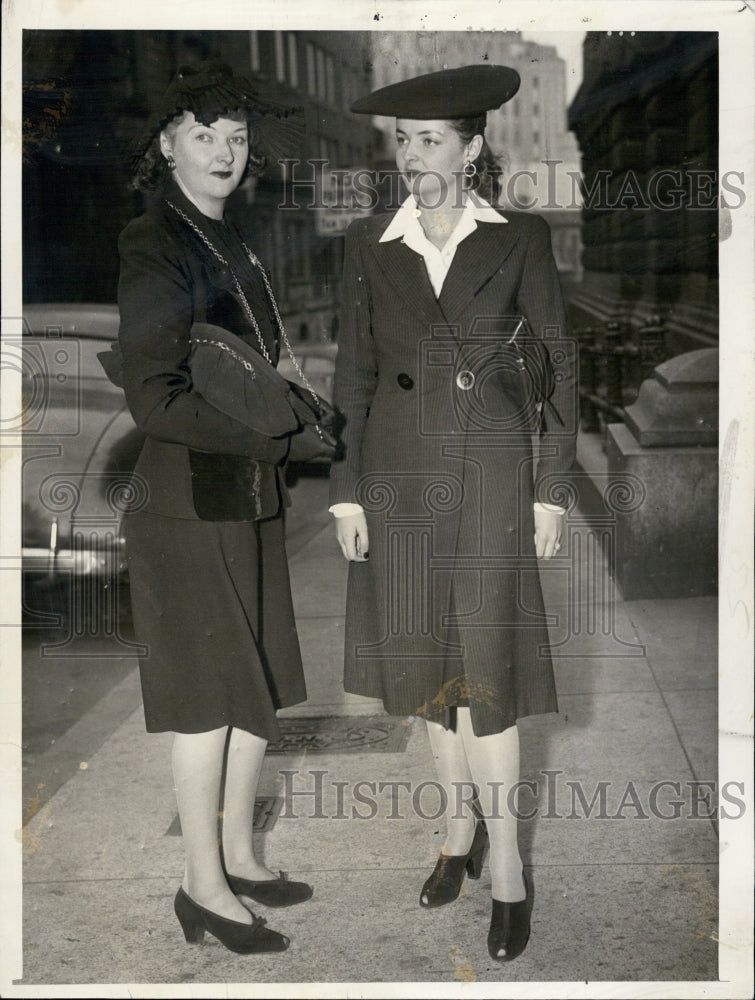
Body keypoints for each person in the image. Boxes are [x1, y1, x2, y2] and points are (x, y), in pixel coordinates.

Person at [329, 65, 577, 962]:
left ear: (472, 149)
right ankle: (454, 833)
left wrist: (549, 490)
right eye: (403, 140)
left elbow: (556, 365)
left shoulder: (518, 239)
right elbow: (352, 373)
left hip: (490, 475)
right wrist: (346, 489)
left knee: (488, 673)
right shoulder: (368, 242)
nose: (413, 156)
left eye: (431, 139)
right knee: (425, 672)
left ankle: (507, 866)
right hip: (396, 479)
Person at [114, 63, 314, 954]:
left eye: (236, 137)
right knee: (205, 698)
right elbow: (154, 400)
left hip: (242, 497)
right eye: (204, 135)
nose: (225, 153)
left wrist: (298, 407)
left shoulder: (231, 238)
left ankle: (237, 852)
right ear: (166, 144)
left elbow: (249, 368)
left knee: (252, 682)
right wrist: (274, 440)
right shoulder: (155, 240)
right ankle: (201, 887)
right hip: (188, 507)